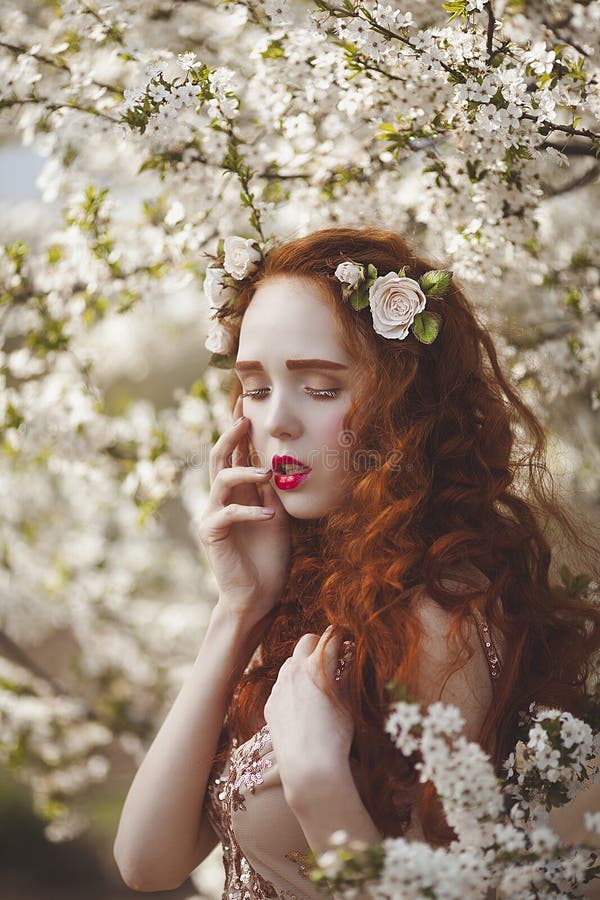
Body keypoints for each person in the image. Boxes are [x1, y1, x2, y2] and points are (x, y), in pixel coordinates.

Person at [113, 226, 600, 898]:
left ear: (406, 406)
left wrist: (320, 786)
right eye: (255, 388)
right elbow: (147, 861)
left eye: (318, 388)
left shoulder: (443, 623)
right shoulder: (309, 600)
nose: (277, 422)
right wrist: (239, 610)